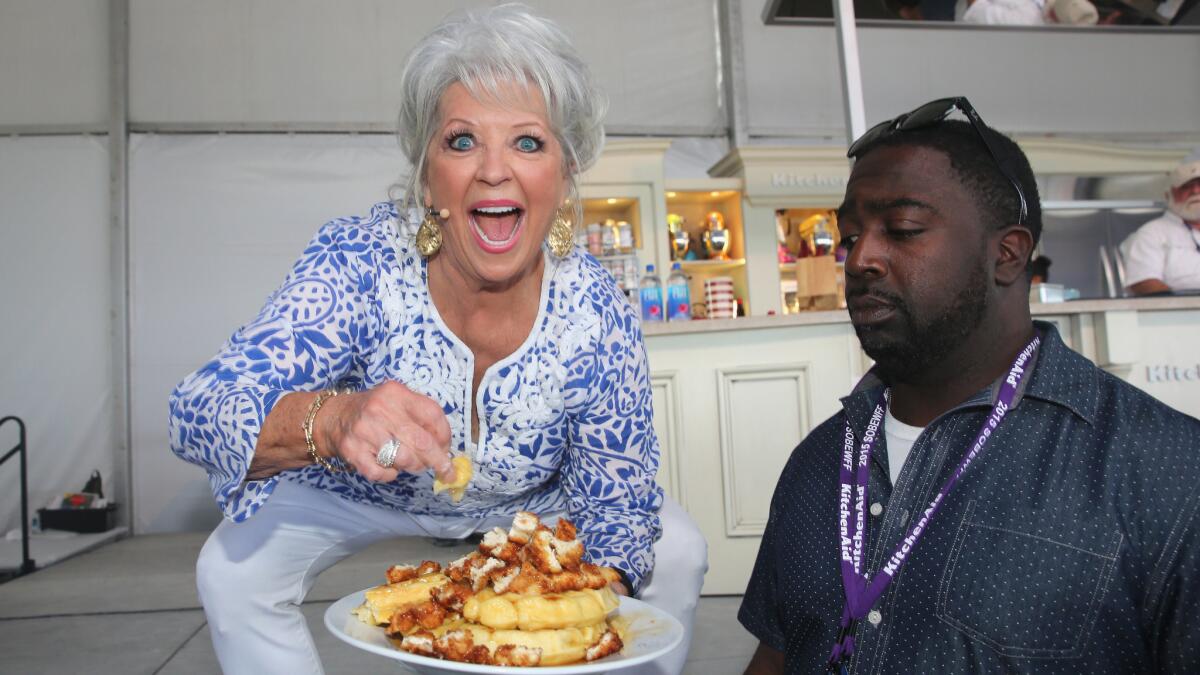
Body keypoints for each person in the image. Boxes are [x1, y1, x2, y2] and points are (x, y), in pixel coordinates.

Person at [168, 5, 707, 674]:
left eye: (528, 142)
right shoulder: (361, 263)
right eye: (461, 140)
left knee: (676, 547)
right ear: (426, 176)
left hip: (528, 503)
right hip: (361, 490)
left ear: (564, 177)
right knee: (231, 568)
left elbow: (616, 497)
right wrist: (333, 419)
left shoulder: (597, 309)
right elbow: (195, 409)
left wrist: (549, 621)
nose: (493, 170)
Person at [739, 97, 1200, 673]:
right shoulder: (819, 460)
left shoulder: (1164, 471)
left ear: (1007, 254)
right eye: (850, 235)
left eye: (902, 229)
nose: (860, 259)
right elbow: (779, 653)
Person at [1120, 153, 1200, 295]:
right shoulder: (1151, 234)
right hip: (1179, 313)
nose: (1195, 191)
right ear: (1169, 195)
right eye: (1186, 187)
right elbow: (1143, 282)